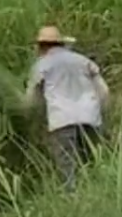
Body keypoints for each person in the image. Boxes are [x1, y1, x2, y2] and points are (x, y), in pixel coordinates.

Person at [24, 25, 110, 192]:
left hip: (62, 119)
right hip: (90, 117)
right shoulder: (83, 61)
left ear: (41, 46)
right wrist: (102, 112)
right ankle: (100, 193)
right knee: (93, 161)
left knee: (67, 164)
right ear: (61, 43)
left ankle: (73, 198)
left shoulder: (42, 65)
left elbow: (32, 97)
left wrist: (29, 114)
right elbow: (104, 91)